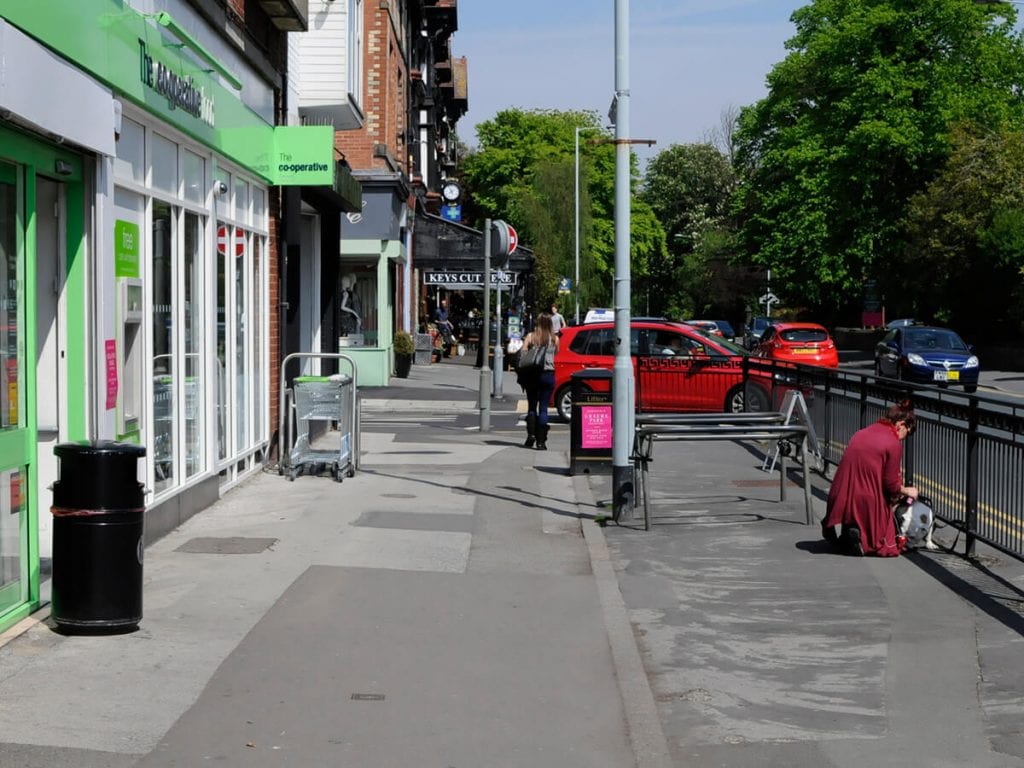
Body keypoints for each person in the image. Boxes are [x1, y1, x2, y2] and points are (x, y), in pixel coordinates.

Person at [821, 401, 919, 556]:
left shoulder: (862, 432)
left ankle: (850, 533)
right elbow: (891, 485)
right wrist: (907, 491)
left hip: (842, 496)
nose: (906, 436)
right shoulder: (893, 443)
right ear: (900, 424)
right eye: (909, 430)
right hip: (867, 501)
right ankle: (864, 540)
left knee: (862, 494)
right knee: (888, 545)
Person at [518, 312, 559, 450]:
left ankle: (531, 436)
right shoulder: (554, 339)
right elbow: (556, 354)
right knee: (543, 408)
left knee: (531, 406)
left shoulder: (531, 336)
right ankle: (541, 442)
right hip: (548, 375)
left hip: (532, 375)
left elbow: (523, 354)